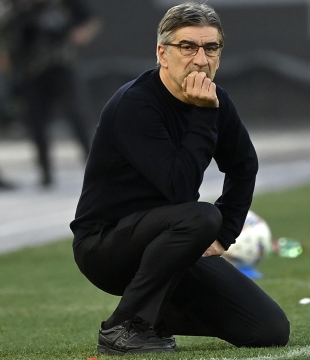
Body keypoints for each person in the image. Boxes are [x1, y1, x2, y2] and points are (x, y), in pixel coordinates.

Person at [70, 2, 289, 355]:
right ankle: (124, 326)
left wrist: (225, 235)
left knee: (269, 329)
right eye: (187, 46)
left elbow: (244, 165)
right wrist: (203, 116)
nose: (201, 59)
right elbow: (179, 188)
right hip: (106, 246)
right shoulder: (136, 104)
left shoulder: (217, 101)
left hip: (174, 242)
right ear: (163, 53)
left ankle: (152, 318)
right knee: (200, 215)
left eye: (211, 48)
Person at [1, 0, 100, 187]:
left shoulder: (63, 5)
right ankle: (45, 172)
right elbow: (9, 31)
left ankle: (93, 167)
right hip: (32, 72)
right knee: (37, 122)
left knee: (77, 117)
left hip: (61, 67)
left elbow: (90, 20)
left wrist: (80, 35)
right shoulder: (20, 8)